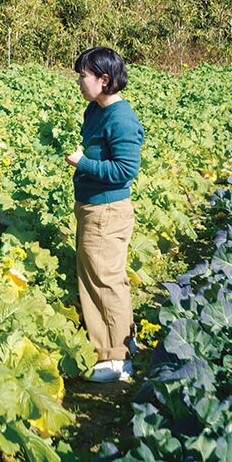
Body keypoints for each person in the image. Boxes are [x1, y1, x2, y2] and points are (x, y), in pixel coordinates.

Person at [65, 47, 144, 384]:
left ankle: (117, 359)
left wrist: (82, 163)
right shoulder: (94, 110)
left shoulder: (121, 118)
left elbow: (125, 170)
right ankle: (117, 344)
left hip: (107, 211)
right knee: (95, 278)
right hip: (91, 207)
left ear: (104, 79)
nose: (79, 81)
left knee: (106, 281)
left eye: (84, 75)